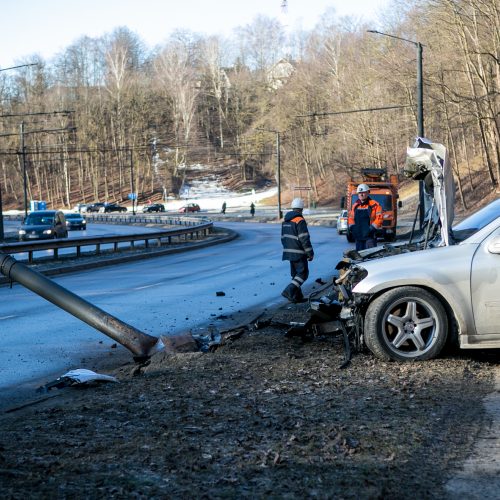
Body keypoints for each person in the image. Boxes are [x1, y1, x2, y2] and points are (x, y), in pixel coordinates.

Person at [281, 197, 314, 303]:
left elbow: (283, 238)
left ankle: (297, 296)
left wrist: (288, 249)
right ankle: (288, 290)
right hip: (299, 252)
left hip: (288, 252)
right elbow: (304, 238)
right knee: (303, 274)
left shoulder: (286, 220)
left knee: (295, 275)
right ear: (301, 209)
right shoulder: (299, 220)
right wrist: (310, 253)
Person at [348, 183, 383, 251]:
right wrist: (352, 228)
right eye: (359, 193)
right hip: (359, 237)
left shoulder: (375, 205)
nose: (361, 194)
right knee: (359, 258)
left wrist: (371, 228)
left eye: (363, 192)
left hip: (370, 237)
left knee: (370, 258)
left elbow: (379, 218)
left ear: (368, 192)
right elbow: (351, 218)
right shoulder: (355, 206)